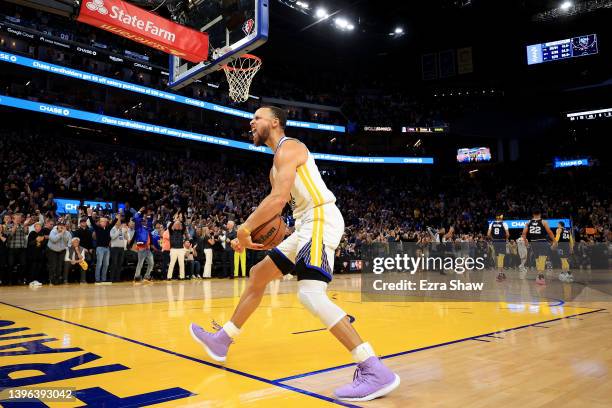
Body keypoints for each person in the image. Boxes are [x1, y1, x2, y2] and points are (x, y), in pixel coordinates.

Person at [190, 106, 399, 402]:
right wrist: (246, 236)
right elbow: (276, 204)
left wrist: (244, 228)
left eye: (257, 118)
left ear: (275, 123)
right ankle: (223, 340)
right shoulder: (274, 166)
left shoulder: (290, 147)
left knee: (310, 294)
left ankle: (373, 369)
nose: (251, 122)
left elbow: (277, 201)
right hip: (304, 225)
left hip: (320, 218)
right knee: (258, 274)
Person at [521, 209, 555, 285]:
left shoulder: (528, 222)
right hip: (542, 241)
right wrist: (554, 240)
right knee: (542, 258)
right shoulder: (543, 222)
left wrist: (525, 241)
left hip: (533, 242)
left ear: (533, 214)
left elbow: (523, 233)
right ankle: (540, 275)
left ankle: (539, 274)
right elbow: (549, 232)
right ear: (540, 214)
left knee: (537, 259)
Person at [47, 219, 72, 285]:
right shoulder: (53, 231)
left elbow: (69, 243)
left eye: (63, 225)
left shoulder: (68, 233)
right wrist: (61, 233)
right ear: (57, 225)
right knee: (53, 265)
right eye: (60, 225)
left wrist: (67, 248)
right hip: (52, 250)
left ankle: (57, 280)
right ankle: (51, 280)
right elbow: (54, 240)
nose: (62, 226)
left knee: (60, 266)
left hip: (62, 251)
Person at [487, 213, 509, 281]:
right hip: (502, 241)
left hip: (495, 242)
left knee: (498, 257)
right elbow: (507, 234)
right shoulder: (504, 223)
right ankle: (500, 273)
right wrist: (506, 239)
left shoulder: (491, 223)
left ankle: (501, 272)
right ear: (501, 217)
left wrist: (492, 238)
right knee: (501, 258)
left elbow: (488, 234)